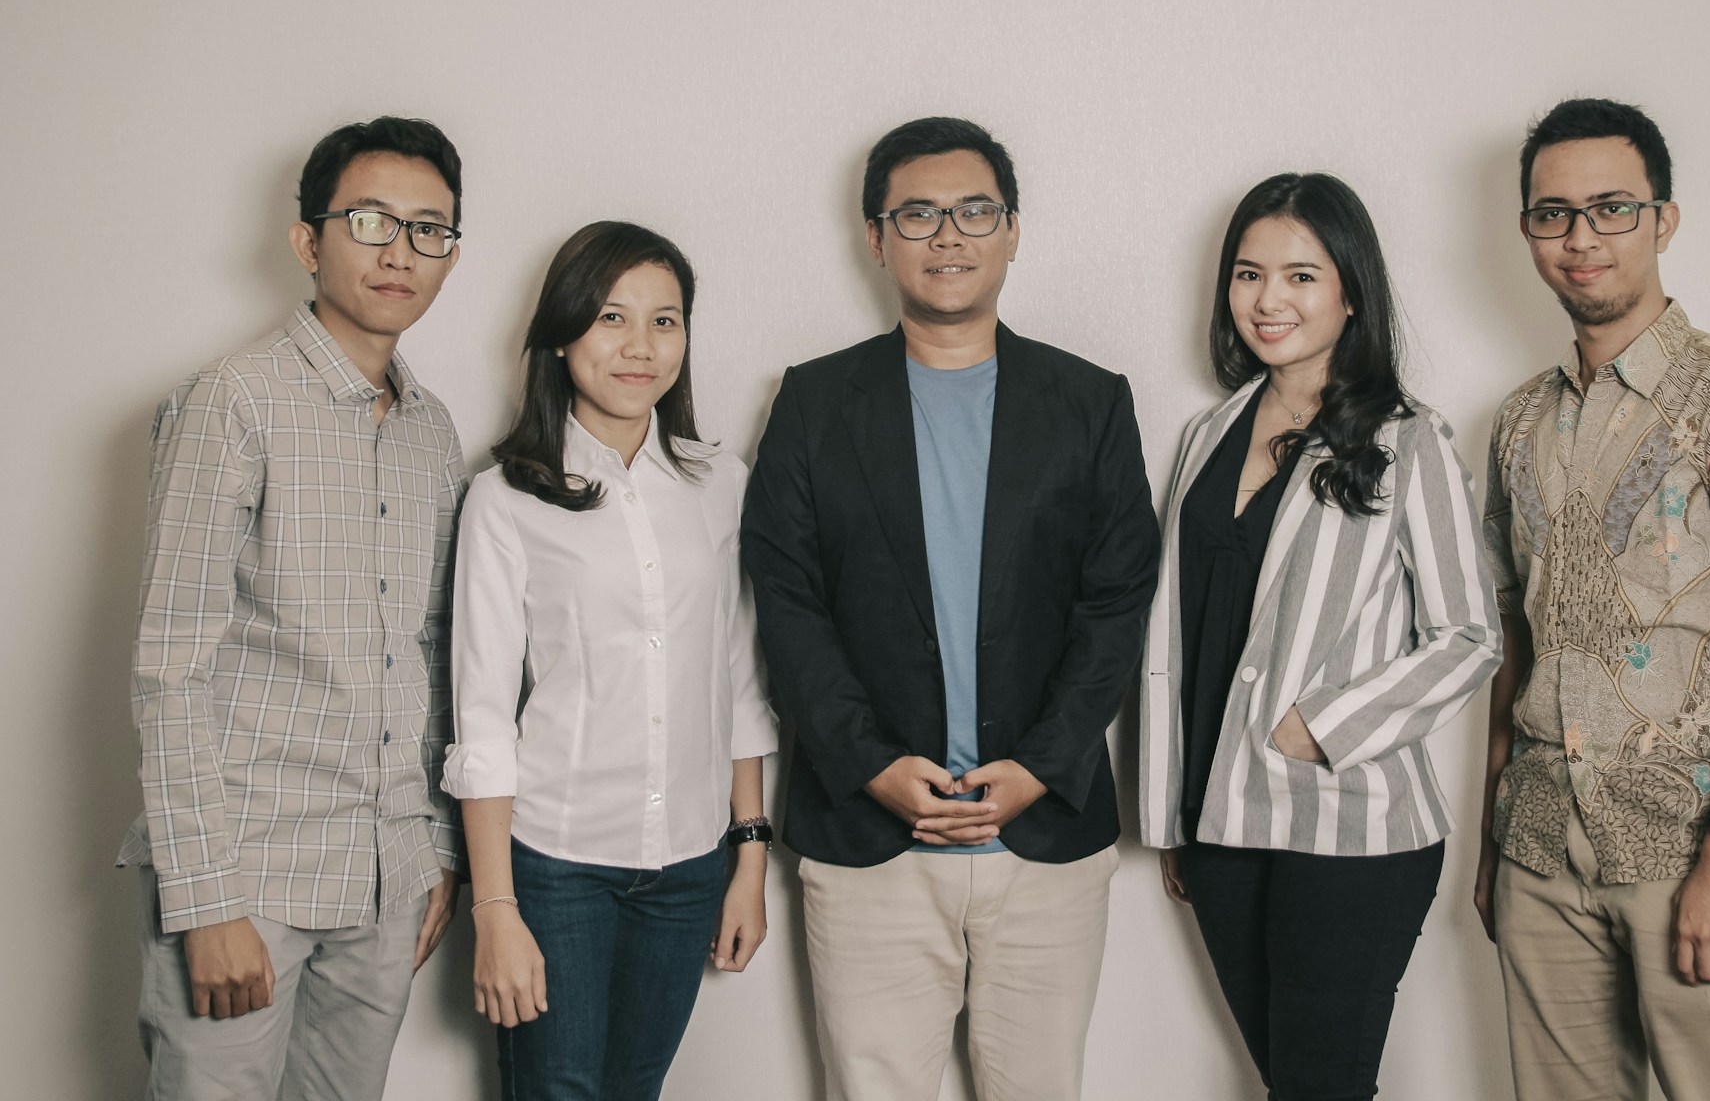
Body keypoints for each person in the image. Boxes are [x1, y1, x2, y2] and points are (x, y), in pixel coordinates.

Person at [741, 116, 1159, 1101]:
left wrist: (1043, 763)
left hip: (1045, 836)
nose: (948, 236)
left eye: (975, 211)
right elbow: (787, 605)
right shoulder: (812, 402)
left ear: (1012, 230)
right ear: (876, 237)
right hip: (869, 836)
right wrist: (871, 765)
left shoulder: (1091, 401)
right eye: (918, 214)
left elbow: (1117, 600)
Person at [1474, 98, 1710, 1101]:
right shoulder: (1517, 422)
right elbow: (1513, 639)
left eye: (1612, 208)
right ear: (1527, 231)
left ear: (1663, 220)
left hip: (1699, 844)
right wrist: (1496, 836)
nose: (1581, 237)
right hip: (1544, 844)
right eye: (1553, 213)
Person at [118, 116, 469, 1099]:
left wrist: (434, 850)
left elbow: (435, 650)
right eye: (371, 221)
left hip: (384, 878)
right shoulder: (231, 401)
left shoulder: (434, 431)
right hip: (247, 875)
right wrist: (204, 901)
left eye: (429, 229)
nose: (400, 251)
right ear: (309, 241)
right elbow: (170, 665)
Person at [1139, 172, 1502, 1099]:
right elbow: (1182, 629)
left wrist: (1324, 726)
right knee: (1296, 1085)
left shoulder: (1409, 440)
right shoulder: (1207, 434)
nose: (1269, 300)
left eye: (1301, 276)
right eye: (1248, 273)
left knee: (1320, 1088)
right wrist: (1176, 807)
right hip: (1218, 823)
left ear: (1350, 292)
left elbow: (1469, 635)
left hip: (1351, 825)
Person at [444, 221, 778, 1101]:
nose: (641, 347)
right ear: (562, 335)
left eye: (665, 321)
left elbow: (738, 679)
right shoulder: (504, 499)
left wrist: (749, 858)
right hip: (556, 864)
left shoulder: (722, 483)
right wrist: (496, 907)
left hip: (692, 861)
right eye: (611, 318)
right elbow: (482, 717)